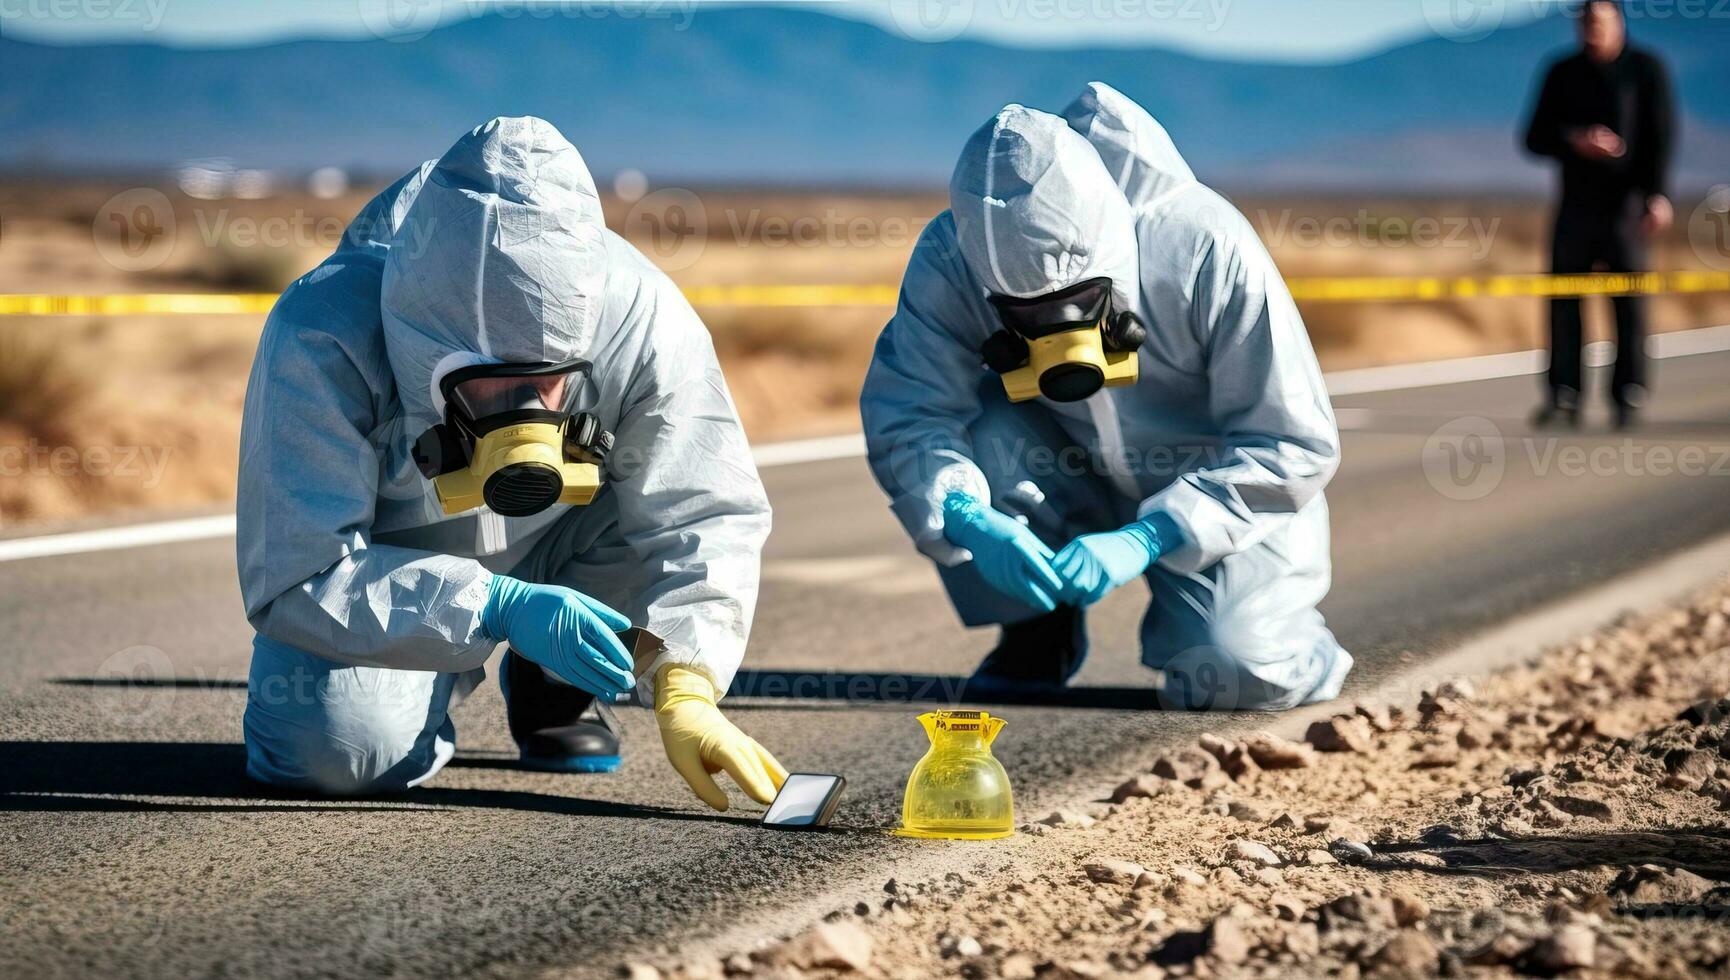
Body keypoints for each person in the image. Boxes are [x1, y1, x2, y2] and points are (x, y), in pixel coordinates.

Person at [237, 117, 786, 811]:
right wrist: (493, 604)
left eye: (546, 381)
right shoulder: (323, 333)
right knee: (336, 753)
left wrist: (688, 682)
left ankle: (554, 678)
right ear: (419, 350)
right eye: (489, 384)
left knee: (651, 489)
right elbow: (300, 572)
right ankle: (445, 664)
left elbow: (705, 512)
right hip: (397, 568)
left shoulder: (645, 322)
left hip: (569, 538)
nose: (524, 412)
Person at [861, 82, 1351, 712]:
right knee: (976, 422)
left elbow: (1292, 441)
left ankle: (1292, 646)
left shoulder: (1204, 245)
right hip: (1060, 464)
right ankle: (1036, 622)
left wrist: (1151, 536)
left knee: (1240, 671)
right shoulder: (948, 256)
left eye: (1080, 304)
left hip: (1216, 486)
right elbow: (911, 409)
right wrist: (963, 515)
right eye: (1025, 316)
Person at [1523, 0, 1676, 429]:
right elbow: (1532, 137)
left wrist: (1657, 194)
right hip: (1574, 206)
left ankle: (1628, 392)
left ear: (1618, 22)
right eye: (1586, 21)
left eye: (1600, 21)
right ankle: (1564, 394)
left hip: (1627, 207)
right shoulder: (1561, 71)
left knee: (1628, 302)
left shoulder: (1646, 69)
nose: (1592, 29)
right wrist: (1575, 139)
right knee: (1564, 300)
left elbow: (1662, 135)